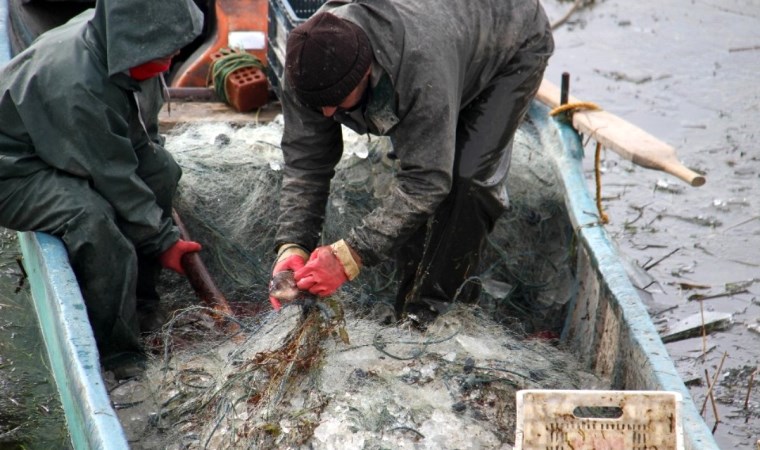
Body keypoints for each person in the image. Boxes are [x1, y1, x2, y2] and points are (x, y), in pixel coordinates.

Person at [269, 0, 554, 323]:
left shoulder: (418, 68)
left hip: (511, 36)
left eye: (335, 103)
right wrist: (294, 245)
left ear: (366, 73)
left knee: (466, 181)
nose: (327, 114)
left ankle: (433, 314)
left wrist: (350, 255)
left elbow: (427, 181)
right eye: (317, 104)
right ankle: (406, 299)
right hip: (441, 37)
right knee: (416, 185)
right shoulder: (306, 68)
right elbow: (307, 164)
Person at [0, 0, 204, 376]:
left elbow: (138, 148)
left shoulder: (112, 40)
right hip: (15, 168)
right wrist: (163, 240)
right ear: (138, 46)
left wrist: (159, 235)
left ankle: (142, 303)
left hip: (60, 140)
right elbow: (114, 177)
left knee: (162, 170)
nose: (177, 53)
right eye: (169, 49)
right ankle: (119, 355)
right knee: (95, 222)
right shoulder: (78, 87)